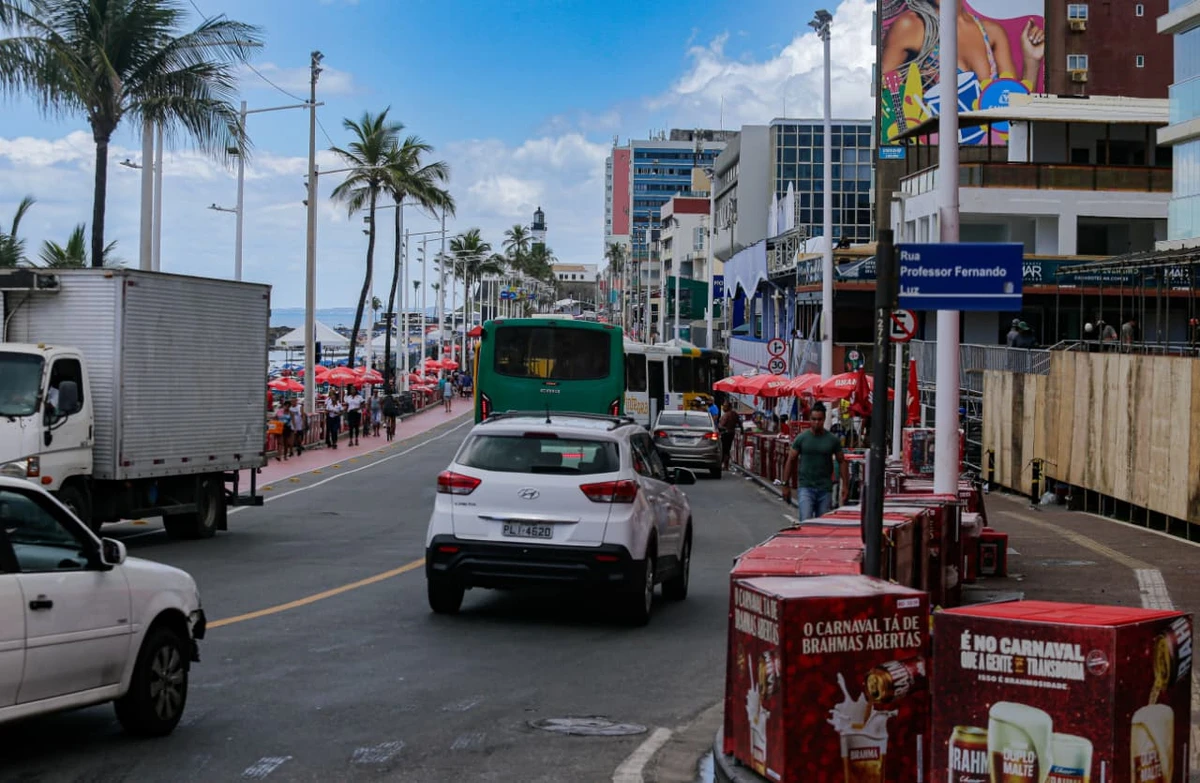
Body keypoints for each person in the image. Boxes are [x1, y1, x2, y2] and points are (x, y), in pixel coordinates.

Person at [781, 402, 849, 524]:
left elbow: (842, 461)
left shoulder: (832, 440)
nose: (816, 423)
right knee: (806, 522)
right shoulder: (802, 438)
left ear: (824, 419)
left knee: (822, 525)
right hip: (806, 487)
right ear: (809, 419)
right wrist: (785, 484)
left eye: (819, 419)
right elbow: (791, 460)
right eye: (814, 419)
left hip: (825, 488)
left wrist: (845, 486)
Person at [718, 402, 741, 470]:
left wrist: (719, 427)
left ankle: (724, 465)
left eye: (725, 406)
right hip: (731, 433)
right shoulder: (735, 414)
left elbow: (722, 425)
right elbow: (739, 423)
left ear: (729, 407)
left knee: (724, 449)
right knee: (727, 449)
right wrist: (742, 430)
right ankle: (726, 465)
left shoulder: (726, 415)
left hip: (725, 433)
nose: (724, 408)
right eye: (723, 406)